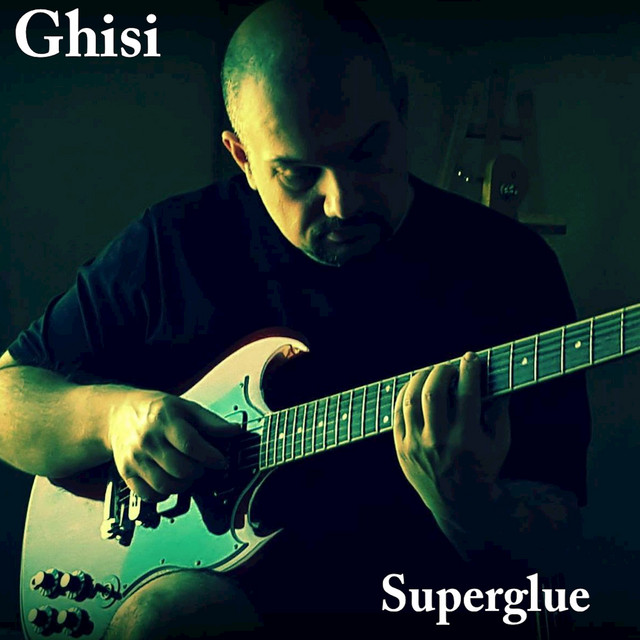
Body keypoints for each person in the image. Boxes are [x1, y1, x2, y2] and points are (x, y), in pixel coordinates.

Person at [0, 0, 590, 638]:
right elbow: (8, 397)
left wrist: (470, 505)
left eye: (367, 152)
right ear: (243, 159)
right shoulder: (176, 244)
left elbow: (555, 556)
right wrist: (114, 417)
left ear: (400, 108)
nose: (342, 202)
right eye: (298, 175)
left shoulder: (509, 268)